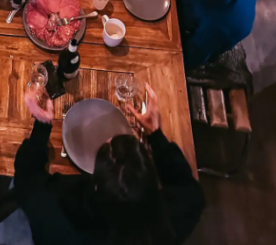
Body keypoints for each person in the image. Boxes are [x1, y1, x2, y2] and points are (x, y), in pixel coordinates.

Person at [14, 86, 205, 245]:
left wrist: (42, 126)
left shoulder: (53, 215)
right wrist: (155, 135)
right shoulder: (177, 216)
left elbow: (27, 178)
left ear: (96, 183)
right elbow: (186, 184)